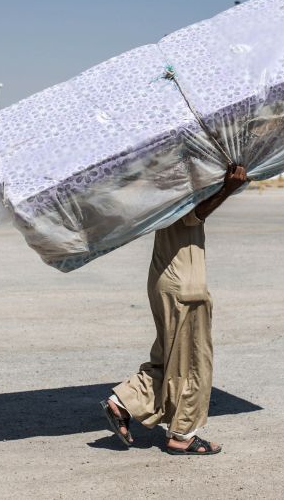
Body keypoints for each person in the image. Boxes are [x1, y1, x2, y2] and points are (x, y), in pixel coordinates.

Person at [100, 163, 249, 455]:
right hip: (183, 286)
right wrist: (228, 189)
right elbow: (193, 214)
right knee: (193, 362)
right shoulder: (178, 186)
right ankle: (183, 434)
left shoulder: (163, 183)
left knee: (170, 358)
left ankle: (124, 403)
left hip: (166, 280)